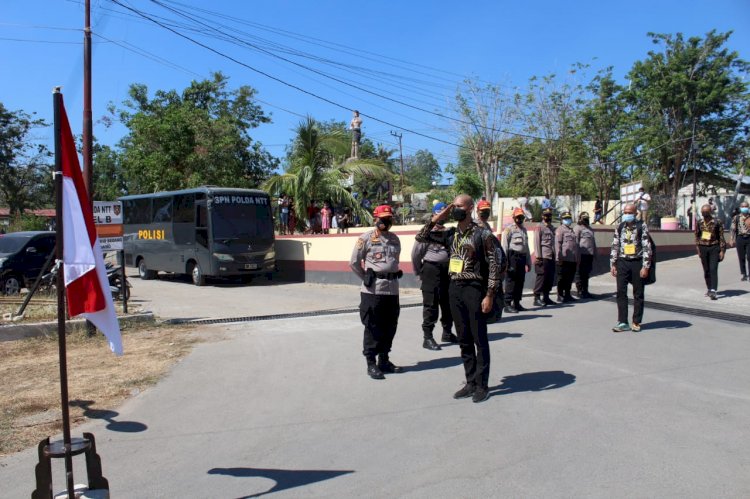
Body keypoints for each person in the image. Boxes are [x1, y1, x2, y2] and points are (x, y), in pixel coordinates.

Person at [417, 195, 503, 403]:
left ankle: (482, 384)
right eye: (453, 206)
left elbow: (496, 264)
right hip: (454, 288)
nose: (455, 209)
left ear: (470, 208)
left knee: (479, 338)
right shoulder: (450, 234)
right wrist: (439, 217)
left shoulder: (482, 234)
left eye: (458, 206)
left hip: (474, 289)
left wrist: (489, 294)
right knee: (463, 338)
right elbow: (421, 237)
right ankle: (470, 381)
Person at [350, 204, 403, 379]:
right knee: (373, 327)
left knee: (390, 326)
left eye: (389, 218)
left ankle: (384, 360)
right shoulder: (365, 239)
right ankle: (371, 363)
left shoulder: (395, 239)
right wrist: (366, 277)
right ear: (376, 219)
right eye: (383, 218)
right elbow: (354, 263)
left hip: (392, 290)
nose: (386, 222)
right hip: (373, 291)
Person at [411, 202, 458, 351]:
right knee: (431, 305)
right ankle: (428, 337)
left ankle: (447, 332)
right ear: (434, 215)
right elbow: (415, 255)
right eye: (440, 214)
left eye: (445, 215)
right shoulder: (427, 233)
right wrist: (419, 273)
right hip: (431, 270)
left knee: (448, 304)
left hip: (447, 271)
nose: (442, 217)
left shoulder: (450, 232)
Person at [610, 203, 652, 332]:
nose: (627, 215)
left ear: (635, 213)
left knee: (638, 293)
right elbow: (615, 245)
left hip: (637, 262)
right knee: (621, 292)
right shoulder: (620, 227)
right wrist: (613, 263)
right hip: (623, 262)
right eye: (625, 212)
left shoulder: (641, 226)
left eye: (630, 212)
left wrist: (645, 267)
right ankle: (623, 322)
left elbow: (647, 247)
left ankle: (636, 321)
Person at [501, 207, 531, 313]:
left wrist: (528, 262)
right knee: (511, 281)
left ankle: (517, 303)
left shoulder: (524, 230)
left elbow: (526, 247)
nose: (520, 218)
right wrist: (504, 263)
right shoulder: (509, 230)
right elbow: (504, 246)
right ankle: (507, 304)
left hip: (522, 258)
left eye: (521, 217)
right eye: (518, 217)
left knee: (520, 281)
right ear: (513, 217)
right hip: (512, 257)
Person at [695, 204, 726, 299]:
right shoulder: (699, 222)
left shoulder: (717, 222)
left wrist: (722, 251)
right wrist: (698, 249)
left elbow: (721, 237)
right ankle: (709, 288)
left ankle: (713, 290)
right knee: (706, 270)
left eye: (706, 212)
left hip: (714, 247)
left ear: (710, 212)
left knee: (713, 268)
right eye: (702, 212)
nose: (704, 213)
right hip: (703, 248)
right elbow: (697, 236)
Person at [533, 208, 556, 307]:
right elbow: (536, 242)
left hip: (551, 255)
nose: (548, 217)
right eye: (546, 215)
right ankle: (536, 298)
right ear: (542, 216)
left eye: (549, 215)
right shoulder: (539, 227)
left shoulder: (552, 228)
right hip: (543, 256)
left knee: (549, 277)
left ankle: (546, 297)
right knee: (541, 277)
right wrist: (538, 256)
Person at [555, 210, 579, 303]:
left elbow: (575, 245)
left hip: (572, 259)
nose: (567, 220)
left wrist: (576, 258)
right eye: (565, 218)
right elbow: (558, 244)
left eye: (568, 218)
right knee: (561, 278)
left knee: (569, 278)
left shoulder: (571, 230)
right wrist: (558, 257)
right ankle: (560, 295)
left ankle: (567, 294)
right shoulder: (560, 230)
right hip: (563, 258)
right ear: (562, 220)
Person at [574, 211, 597, 299]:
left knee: (586, 274)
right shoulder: (577, 228)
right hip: (581, 254)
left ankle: (585, 290)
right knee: (579, 273)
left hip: (589, 255)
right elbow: (576, 242)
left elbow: (593, 243)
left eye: (587, 218)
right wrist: (577, 255)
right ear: (580, 219)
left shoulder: (590, 229)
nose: (586, 220)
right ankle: (580, 291)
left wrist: (595, 254)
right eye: (584, 218)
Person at [730, 201, 750, 281]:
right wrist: (732, 238)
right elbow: (733, 229)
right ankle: (744, 274)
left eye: (746, 206)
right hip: (740, 238)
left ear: (748, 207)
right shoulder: (736, 217)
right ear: (740, 207)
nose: (744, 208)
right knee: (741, 257)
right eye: (743, 206)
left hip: (749, 238)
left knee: (749, 256)